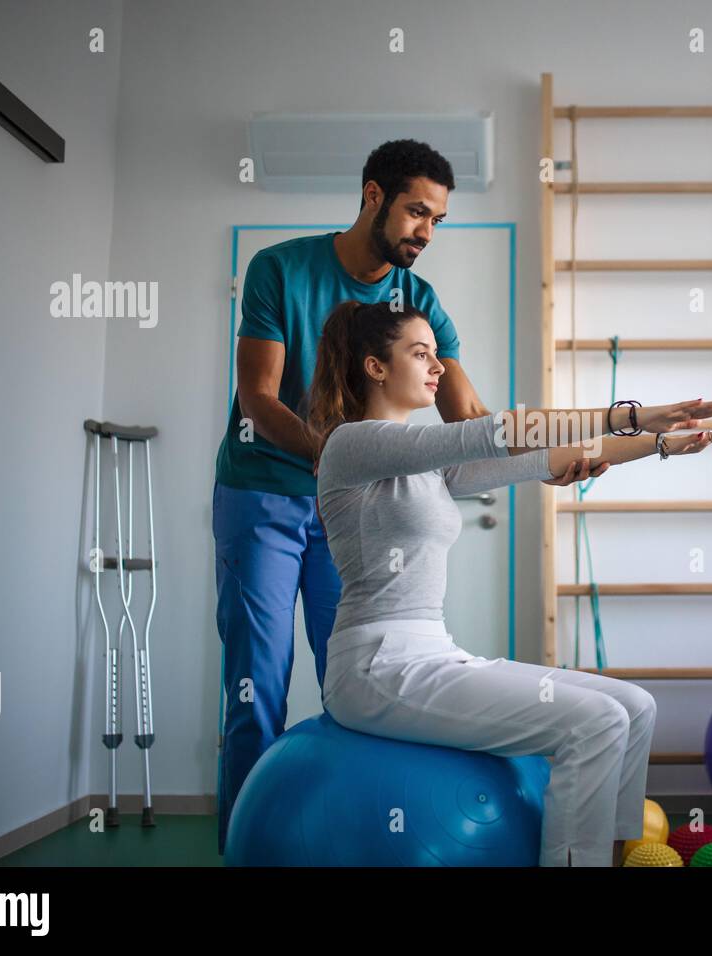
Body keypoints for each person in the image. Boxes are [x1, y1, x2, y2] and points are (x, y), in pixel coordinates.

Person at [211, 139, 599, 854]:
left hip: (359, 510)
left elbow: (469, 419)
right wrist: (337, 457)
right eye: (417, 211)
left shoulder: (416, 300)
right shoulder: (279, 268)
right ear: (372, 197)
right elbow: (258, 399)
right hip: (264, 492)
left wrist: (547, 459)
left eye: (438, 219)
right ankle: (244, 845)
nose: (427, 230)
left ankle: (348, 841)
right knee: (256, 684)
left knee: (351, 683)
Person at [308, 298, 712, 866]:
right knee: (595, 723)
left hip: (433, 652)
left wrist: (659, 444)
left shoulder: (427, 464)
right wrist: (633, 415)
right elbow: (498, 432)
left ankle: (613, 855)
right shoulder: (353, 444)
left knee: (634, 705)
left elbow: (551, 456)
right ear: (375, 367)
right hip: (377, 666)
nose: (438, 367)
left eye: (437, 354)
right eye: (420, 354)